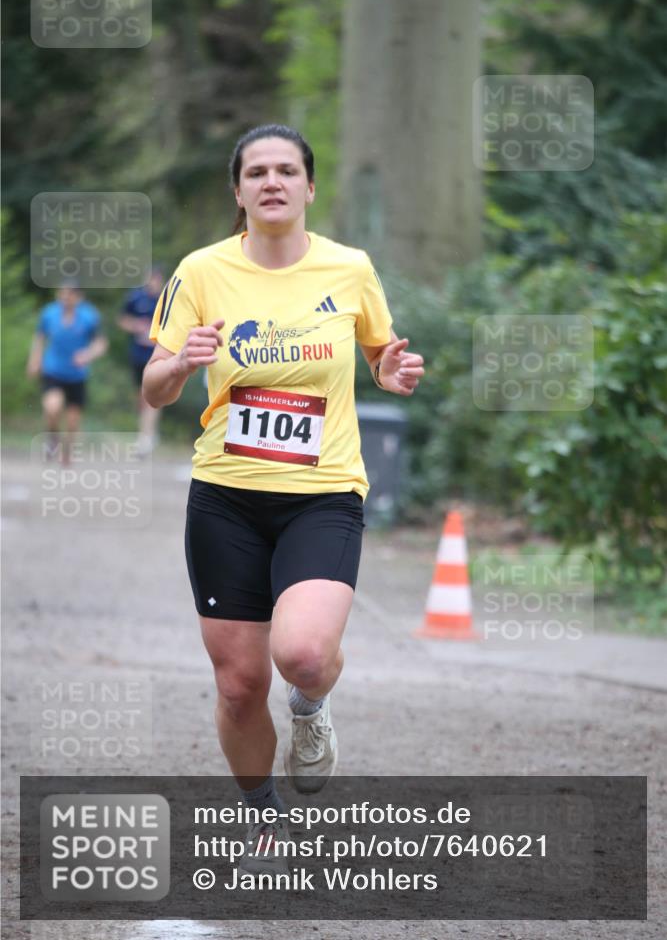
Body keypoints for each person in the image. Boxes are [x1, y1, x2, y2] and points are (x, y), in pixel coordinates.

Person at [142, 124, 424, 873]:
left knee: (301, 655)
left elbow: (378, 352)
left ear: (307, 186)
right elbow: (154, 382)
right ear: (237, 192)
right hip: (225, 497)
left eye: (286, 170)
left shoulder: (349, 267)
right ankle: (263, 817)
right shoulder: (201, 271)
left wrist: (390, 373)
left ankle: (310, 709)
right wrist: (180, 366)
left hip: (321, 492)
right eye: (257, 172)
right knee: (238, 686)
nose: (272, 181)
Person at [27, 284, 107, 463]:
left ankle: (67, 452)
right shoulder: (49, 313)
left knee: (72, 422)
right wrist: (34, 360)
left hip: (77, 375)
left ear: (78, 297)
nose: (64, 298)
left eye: (68, 295)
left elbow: (100, 344)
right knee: (52, 407)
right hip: (53, 370)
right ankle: (53, 438)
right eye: (61, 294)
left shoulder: (89, 316)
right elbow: (40, 338)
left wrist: (88, 354)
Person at [117, 268, 165, 456]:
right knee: (142, 396)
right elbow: (122, 319)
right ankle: (148, 432)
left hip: (159, 356)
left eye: (156, 280)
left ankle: (146, 436)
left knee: (152, 396)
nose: (153, 283)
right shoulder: (135, 298)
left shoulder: (167, 301)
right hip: (138, 355)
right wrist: (135, 326)